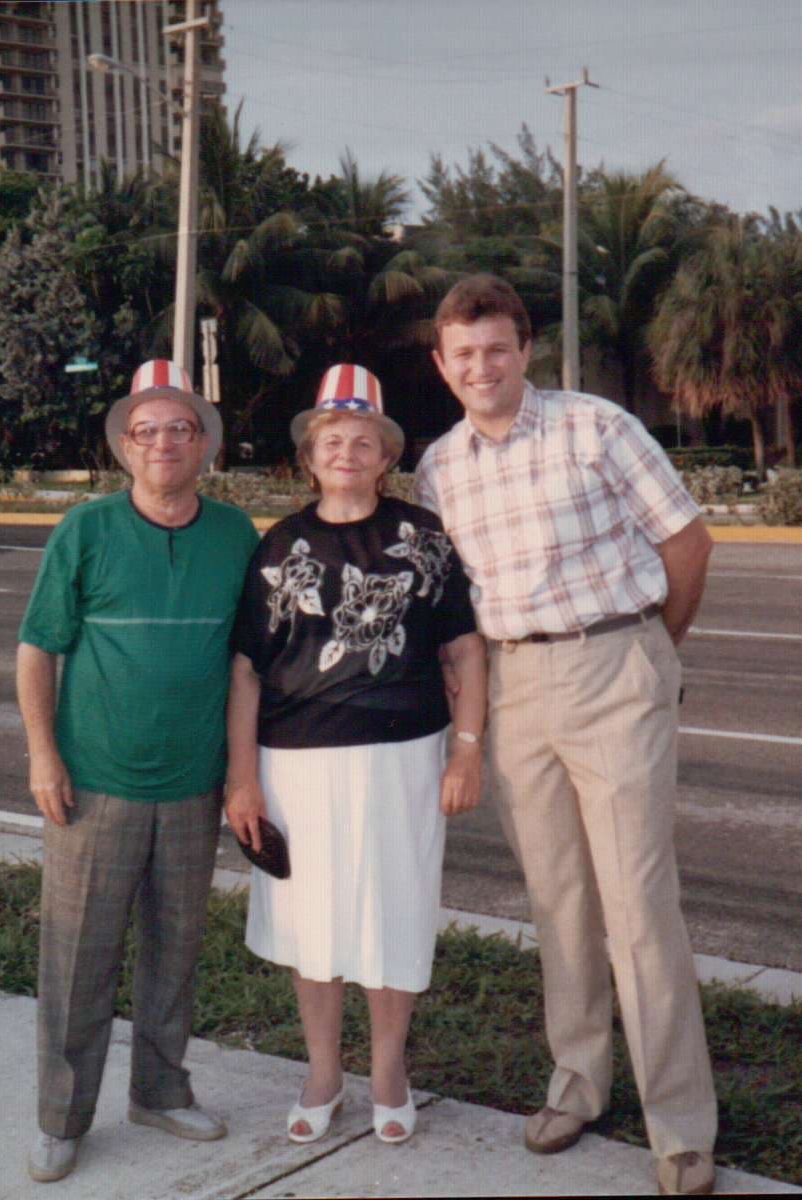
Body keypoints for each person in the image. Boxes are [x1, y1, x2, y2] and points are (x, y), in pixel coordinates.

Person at [414, 275, 720, 1196]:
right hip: (512, 686)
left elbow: (687, 542)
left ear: (525, 350)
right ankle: (580, 1082)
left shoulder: (595, 426)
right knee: (559, 899)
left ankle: (680, 1126)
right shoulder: (439, 465)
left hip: (613, 661)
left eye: (497, 348)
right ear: (442, 363)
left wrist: (651, 654)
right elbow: (455, 603)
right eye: (463, 354)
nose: (482, 366)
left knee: (636, 902)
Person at [224, 363, 488, 1148]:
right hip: (295, 764)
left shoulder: (421, 537)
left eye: (362, 440)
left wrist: (468, 751)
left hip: (403, 757)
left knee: (392, 911)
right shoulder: (280, 545)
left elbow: (467, 653)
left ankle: (388, 1072)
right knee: (313, 921)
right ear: (310, 454)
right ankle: (322, 1071)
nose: (346, 451)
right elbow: (246, 669)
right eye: (331, 439)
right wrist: (241, 779)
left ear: (384, 455)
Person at [16, 360, 260, 1185]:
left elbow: (245, 666)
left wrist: (239, 776)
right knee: (78, 956)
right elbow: (37, 650)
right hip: (95, 785)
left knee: (176, 950)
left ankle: (160, 1090)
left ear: (205, 446)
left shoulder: (235, 537)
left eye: (181, 428)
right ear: (125, 446)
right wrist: (43, 754)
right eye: (147, 429)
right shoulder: (84, 531)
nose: (164, 442)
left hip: (194, 786)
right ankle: (62, 1115)